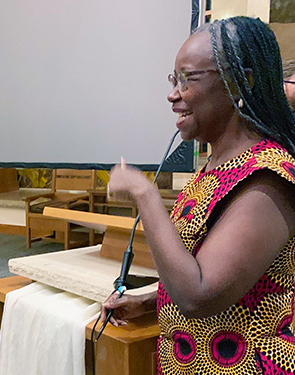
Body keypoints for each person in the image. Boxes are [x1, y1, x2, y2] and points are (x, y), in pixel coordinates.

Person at [101, 17, 295, 374]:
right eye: (174, 80)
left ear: (242, 82)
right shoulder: (215, 164)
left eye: (187, 79)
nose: (173, 94)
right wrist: (149, 299)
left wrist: (145, 193)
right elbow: (210, 267)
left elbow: (198, 293)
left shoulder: (267, 177)